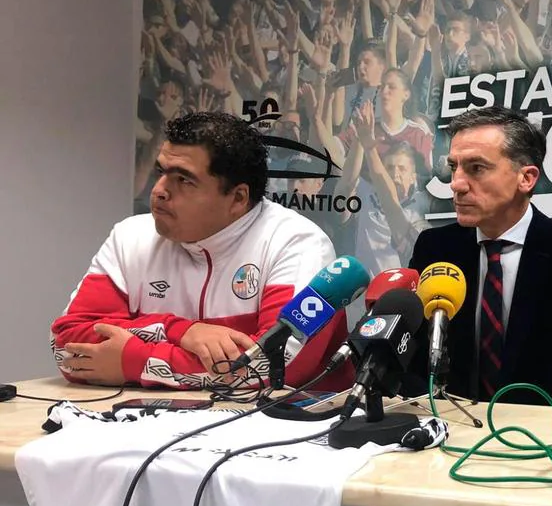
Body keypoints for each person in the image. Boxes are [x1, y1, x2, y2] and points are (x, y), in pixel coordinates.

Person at [51, 112, 350, 389]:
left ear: (237, 198)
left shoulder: (298, 244)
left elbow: (275, 365)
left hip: (286, 434)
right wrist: (180, 331)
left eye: (184, 179)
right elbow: (68, 347)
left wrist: (136, 361)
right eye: (162, 172)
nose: (158, 190)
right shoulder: (130, 236)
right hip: (153, 429)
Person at [408, 106, 552, 409]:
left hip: (541, 442)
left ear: (526, 178)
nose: (457, 184)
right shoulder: (435, 248)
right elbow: (411, 361)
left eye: (476, 168)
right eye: (454, 167)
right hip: (450, 434)